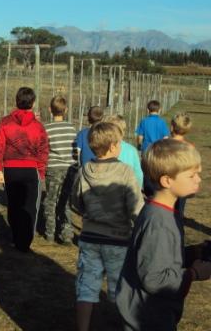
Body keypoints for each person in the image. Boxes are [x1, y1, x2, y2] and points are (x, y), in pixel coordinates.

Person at [116, 139, 211, 331]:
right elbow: (154, 279)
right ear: (167, 180)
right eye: (192, 175)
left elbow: (159, 257)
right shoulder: (159, 222)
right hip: (148, 316)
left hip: (153, 312)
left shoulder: (163, 211)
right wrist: (193, 274)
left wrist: (192, 253)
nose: (199, 179)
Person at [70, 122, 144, 331]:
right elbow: (135, 205)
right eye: (120, 142)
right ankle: (126, 325)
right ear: (113, 147)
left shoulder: (84, 170)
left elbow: (75, 200)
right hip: (118, 239)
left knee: (86, 286)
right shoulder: (125, 172)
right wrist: (141, 225)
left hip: (90, 238)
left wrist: (88, 212)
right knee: (121, 287)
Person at [0, 87, 49, 252]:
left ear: (16, 101)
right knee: (30, 205)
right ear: (33, 103)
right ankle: (25, 241)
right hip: (31, 170)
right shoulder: (38, 126)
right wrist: (41, 170)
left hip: (10, 170)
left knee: (14, 204)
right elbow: (43, 149)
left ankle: (16, 237)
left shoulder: (5, 122)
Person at [42, 96, 77, 244]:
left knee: (50, 200)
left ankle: (50, 233)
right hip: (69, 169)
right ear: (66, 110)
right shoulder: (71, 128)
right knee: (66, 201)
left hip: (53, 169)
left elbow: (44, 150)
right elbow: (75, 150)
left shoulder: (46, 129)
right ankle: (67, 234)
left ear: (50, 110)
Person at [103, 115, 143, 188]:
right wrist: (137, 190)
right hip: (128, 191)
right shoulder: (131, 150)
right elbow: (138, 175)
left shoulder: (102, 148)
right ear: (123, 131)